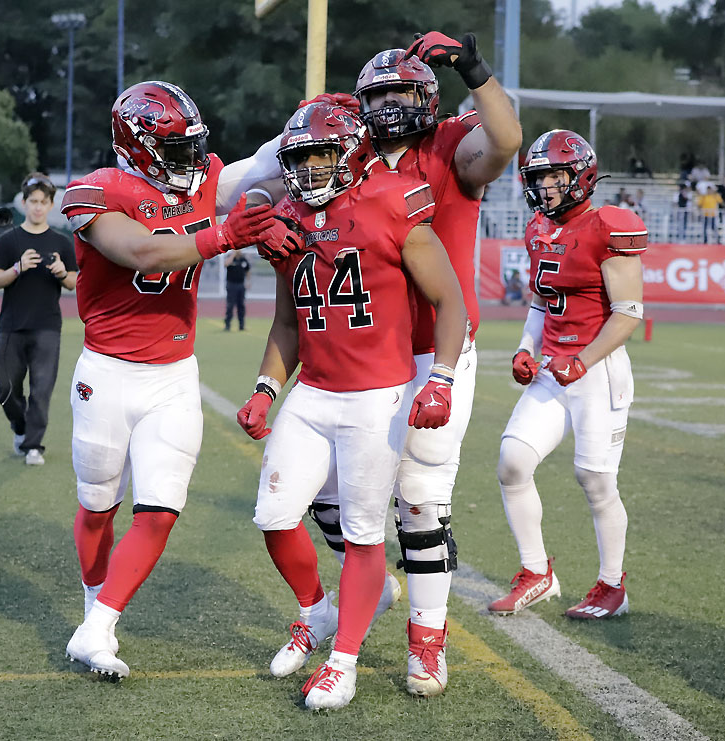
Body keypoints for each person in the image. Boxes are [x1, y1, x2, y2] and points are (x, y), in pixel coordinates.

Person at [303, 32, 521, 698]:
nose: (393, 104)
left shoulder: (452, 142)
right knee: (323, 492)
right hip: (369, 350)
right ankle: (375, 577)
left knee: (421, 500)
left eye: (404, 89)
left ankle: (427, 644)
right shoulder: (352, 154)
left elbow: (507, 140)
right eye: (380, 94)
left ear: (427, 95)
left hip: (437, 347)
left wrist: (473, 69)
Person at [58, 80, 296, 680]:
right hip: (108, 374)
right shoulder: (96, 191)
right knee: (97, 508)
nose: (192, 161)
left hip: (173, 374)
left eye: (194, 146)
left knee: (160, 510)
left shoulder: (205, 177)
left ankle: (98, 626)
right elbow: (140, 251)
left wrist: (323, 118)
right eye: (175, 147)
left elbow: (269, 162)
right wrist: (224, 234)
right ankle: (94, 610)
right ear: (136, 147)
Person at [237, 101, 467, 710]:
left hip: (375, 397)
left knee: (365, 537)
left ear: (352, 153)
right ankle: (315, 614)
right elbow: (289, 320)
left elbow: (450, 300)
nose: (310, 172)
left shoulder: (394, 200)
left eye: (321, 157)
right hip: (312, 391)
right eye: (300, 161)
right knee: (274, 515)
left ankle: (345, 663)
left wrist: (440, 378)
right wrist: (265, 389)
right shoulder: (288, 217)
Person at [488, 130, 645, 621]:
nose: (547, 186)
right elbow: (540, 300)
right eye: (539, 177)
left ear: (581, 175)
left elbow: (628, 313)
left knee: (594, 480)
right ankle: (537, 573)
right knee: (512, 462)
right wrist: (524, 348)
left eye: (555, 175)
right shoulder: (537, 228)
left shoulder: (608, 227)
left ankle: (612, 585)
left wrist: (582, 360)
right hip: (554, 369)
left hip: (596, 372)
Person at [0, 173, 78, 466]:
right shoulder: (9, 240)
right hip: (11, 326)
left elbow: (73, 282)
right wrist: (18, 267)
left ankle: (33, 446)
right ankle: (21, 428)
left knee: (42, 389)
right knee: (5, 387)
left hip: (47, 327)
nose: (38, 207)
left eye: (43, 202)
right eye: (33, 202)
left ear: (51, 205)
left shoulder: (62, 242)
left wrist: (62, 272)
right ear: (24, 203)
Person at [223, 250, 250, 331]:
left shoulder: (243, 260)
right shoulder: (230, 258)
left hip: (241, 285)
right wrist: (233, 255)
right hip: (231, 285)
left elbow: (248, 270)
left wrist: (248, 281)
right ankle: (227, 325)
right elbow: (225, 264)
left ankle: (241, 325)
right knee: (230, 305)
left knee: (241, 305)